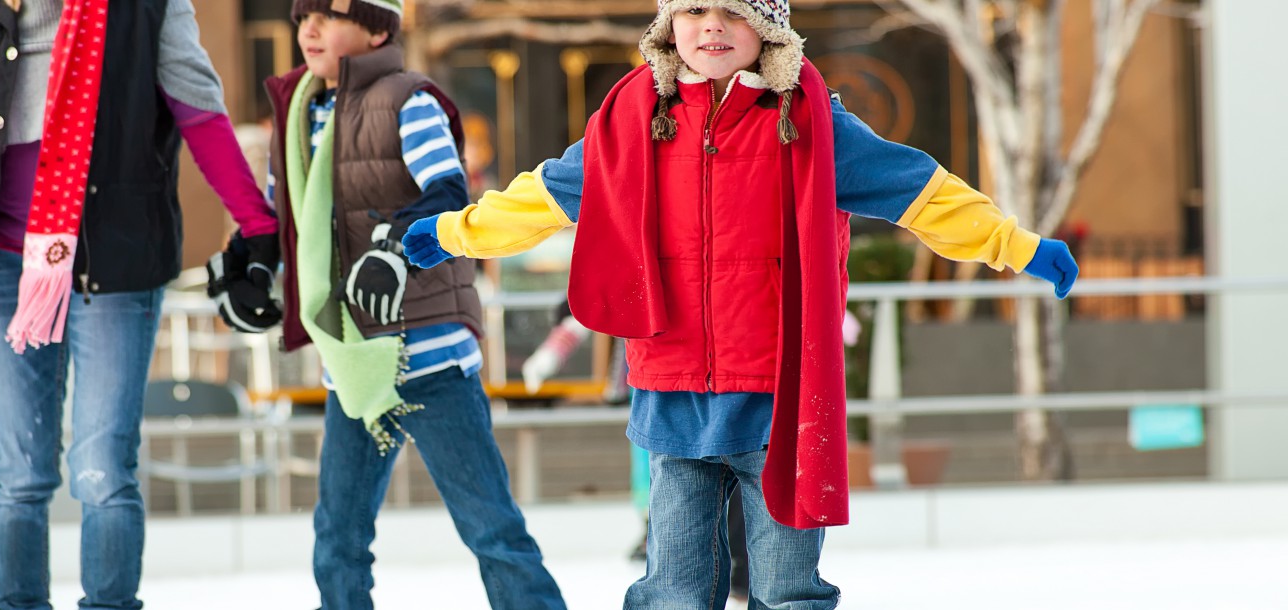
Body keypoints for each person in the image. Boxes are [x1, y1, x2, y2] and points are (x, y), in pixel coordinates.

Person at [401, 1, 1079, 607]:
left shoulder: (813, 123)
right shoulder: (636, 123)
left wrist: (1015, 246)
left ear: (769, 25)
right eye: (694, 11)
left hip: (779, 397)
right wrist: (458, 231)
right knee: (674, 591)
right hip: (672, 393)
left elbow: (926, 195)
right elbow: (543, 198)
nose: (712, 27)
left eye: (732, 11)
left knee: (787, 590)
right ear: (670, 26)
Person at [0, 1, 280, 608]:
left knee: (104, 471)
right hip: (5, 265)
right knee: (19, 474)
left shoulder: (146, 11)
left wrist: (257, 226)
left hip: (113, 262)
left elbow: (202, 116)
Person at [221, 1, 566, 608]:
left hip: (428, 355)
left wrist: (393, 249)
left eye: (329, 14)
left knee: (492, 531)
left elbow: (447, 190)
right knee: (338, 537)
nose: (310, 28)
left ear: (378, 28)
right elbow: (285, 223)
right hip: (352, 359)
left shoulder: (408, 99)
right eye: (303, 15)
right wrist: (250, 266)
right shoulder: (297, 113)